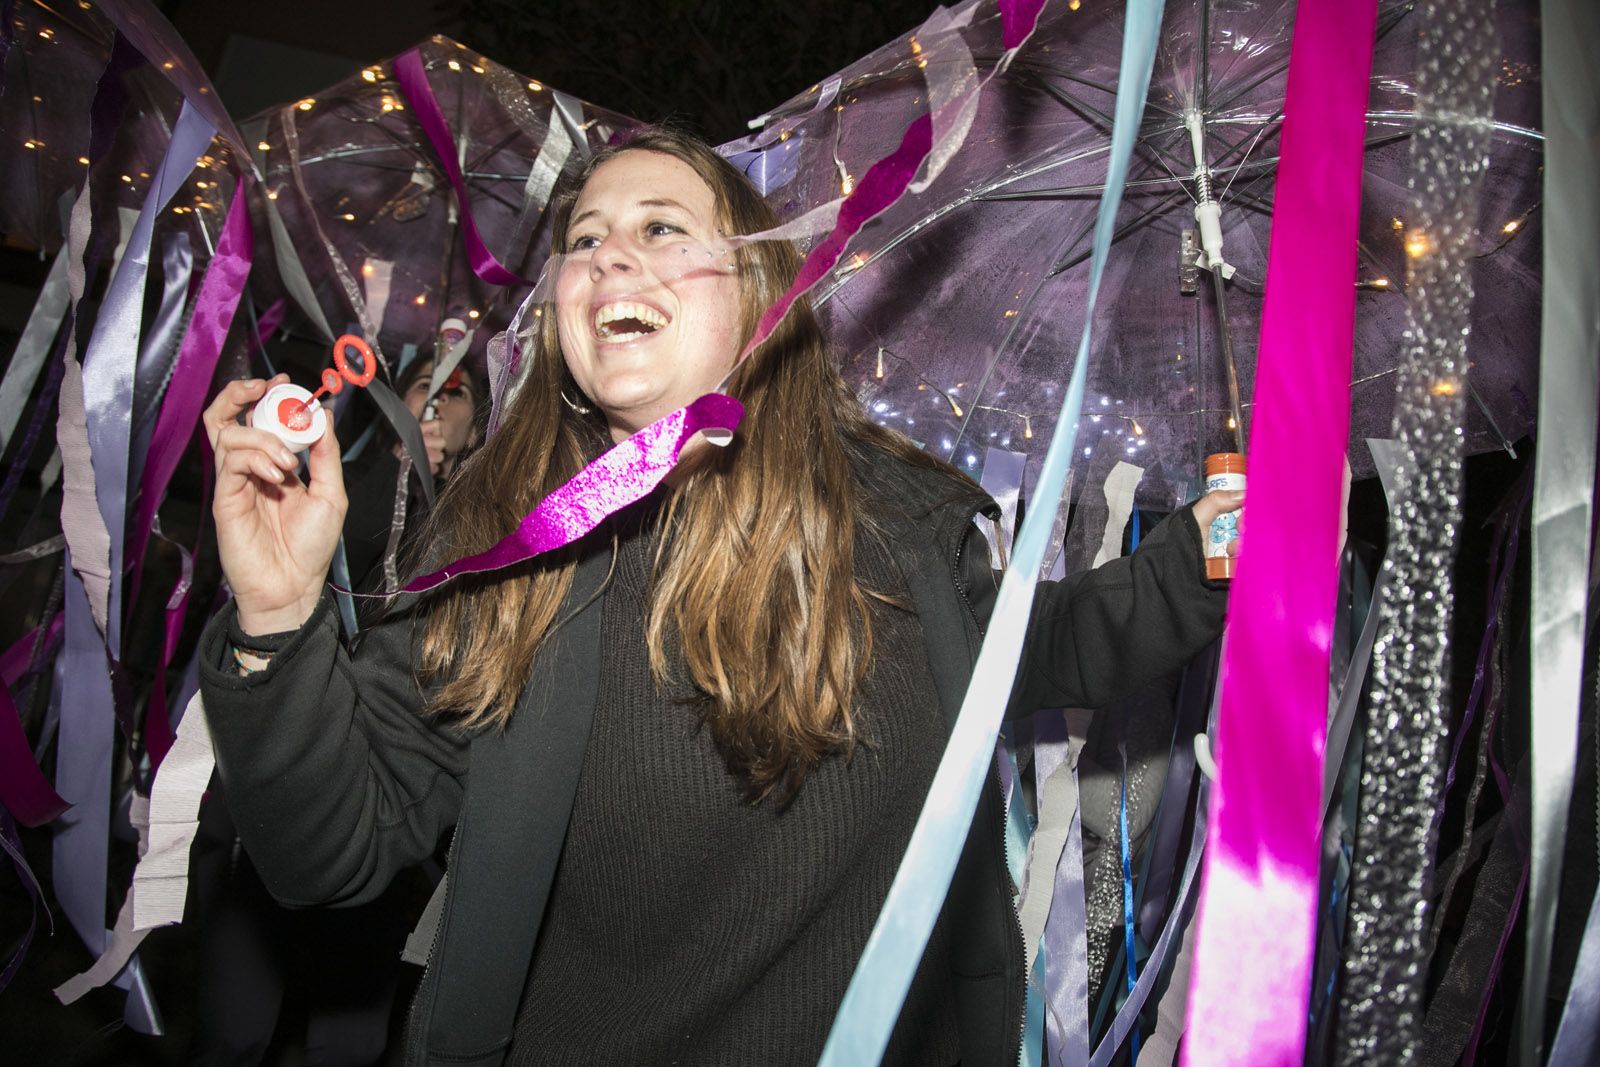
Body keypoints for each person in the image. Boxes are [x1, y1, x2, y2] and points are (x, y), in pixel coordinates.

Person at [198, 128, 1240, 1066]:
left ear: (759, 289)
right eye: (585, 239)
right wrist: (275, 616)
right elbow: (327, 853)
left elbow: (1039, 646)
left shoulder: (899, 519)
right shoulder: (501, 558)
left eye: (660, 226)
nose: (609, 255)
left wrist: (1205, 551)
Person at [340, 354, 486, 590]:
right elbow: (335, 560)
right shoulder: (342, 481)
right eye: (426, 385)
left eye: (458, 392)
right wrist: (397, 471)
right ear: (397, 408)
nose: (440, 395)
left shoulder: (478, 517)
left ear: (473, 434)